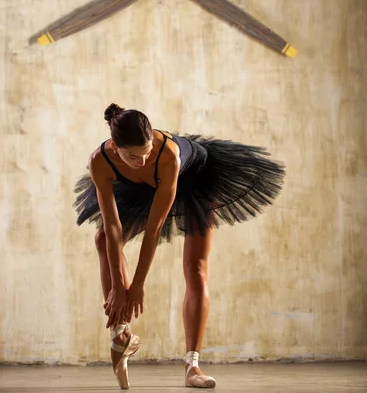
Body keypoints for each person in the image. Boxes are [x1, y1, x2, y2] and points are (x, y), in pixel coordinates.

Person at [74, 104, 285, 389]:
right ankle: (121, 334)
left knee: (195, 267)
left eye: (147, 152)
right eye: (133, 156)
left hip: (195, 178)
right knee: (102, 239)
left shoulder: (165, 156)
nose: (142, 159)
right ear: (115, 146)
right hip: (146, 186)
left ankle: (192, 366)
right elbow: (113, 227)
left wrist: (137, 285)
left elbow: (153, 229)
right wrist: (117, 290)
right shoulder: (100, 161)